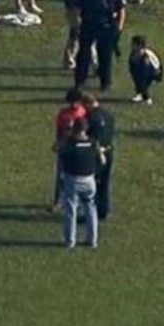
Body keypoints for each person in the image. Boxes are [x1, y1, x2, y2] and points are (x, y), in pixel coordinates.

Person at [74, 0, 127, 92]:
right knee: (83, 55)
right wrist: (76, 25)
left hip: (106, 26)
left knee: (105, 56)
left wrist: (119, 28)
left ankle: (105, 82)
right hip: (88, 24)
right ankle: (79, 82)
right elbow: (77, 7)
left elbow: (121, 9)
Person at [57, 117, 103, 250]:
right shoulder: (93, 142)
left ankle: (70, 240)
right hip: (89, 179)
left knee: (71, 209)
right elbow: (101, 159)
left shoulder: (69, 143)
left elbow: (57, 149)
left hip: (72, 179)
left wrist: (66, 135)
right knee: (90, 208)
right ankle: (92, 240)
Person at [50, 88, 87, 211]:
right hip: (66, 146)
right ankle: (59, 200)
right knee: (61, 174)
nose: (73, 104)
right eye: (71, 102)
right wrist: (58, 143)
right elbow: (59, 130)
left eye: (75, 102)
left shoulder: (83, 112)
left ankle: (79, 201)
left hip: (79, 147)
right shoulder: (63, 113)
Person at [63, 0, 100, 70]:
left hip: (77, 10)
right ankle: (73, 58)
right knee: (77, 34)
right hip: (75, 10)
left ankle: (70, 58)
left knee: (77, 35)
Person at [84, 93, 116, 221]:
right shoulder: (108, 115)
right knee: (105, 182)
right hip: (109, 151)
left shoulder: (91, 117)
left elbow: (92, 138)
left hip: (97, 153)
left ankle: (92, 212)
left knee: (94, 183)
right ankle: (104, 210)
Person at [129, 35, 163, 104]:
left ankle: (147, 98)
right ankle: (139, 94)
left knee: (143, 81)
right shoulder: (133, 54)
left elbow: (156, 66)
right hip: (140, 72)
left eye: (134, 44)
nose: (132, 45)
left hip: (152, 72)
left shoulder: (147, 55)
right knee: (138, 78)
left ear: (139, 45)